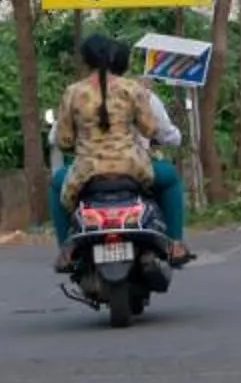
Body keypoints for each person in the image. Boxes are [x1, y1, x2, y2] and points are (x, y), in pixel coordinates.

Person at [51, 31, 192, 265]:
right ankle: (175, 243)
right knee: (171, 179)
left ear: (86, 61)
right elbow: (149, 129)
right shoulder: (133, 89)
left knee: (56, 184)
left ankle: (66, 248)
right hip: (132, 168)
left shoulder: (73, 92)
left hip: (86, 172)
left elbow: (64, 140)